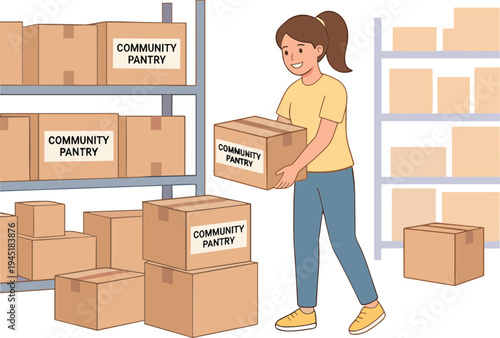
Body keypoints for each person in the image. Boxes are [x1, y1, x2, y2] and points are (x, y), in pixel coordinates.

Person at [273, 11, 385, 335]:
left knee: (343, 241)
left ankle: (372, 305)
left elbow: (323, 137)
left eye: (299, 49)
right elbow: (278, 132)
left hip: (334, 175)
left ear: (318, 50)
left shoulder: (334, 89)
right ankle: (306, 309)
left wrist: (294, 166)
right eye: (285, 51)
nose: (292, 57)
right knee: (304, 242)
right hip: (304, 178)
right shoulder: (292, 91)